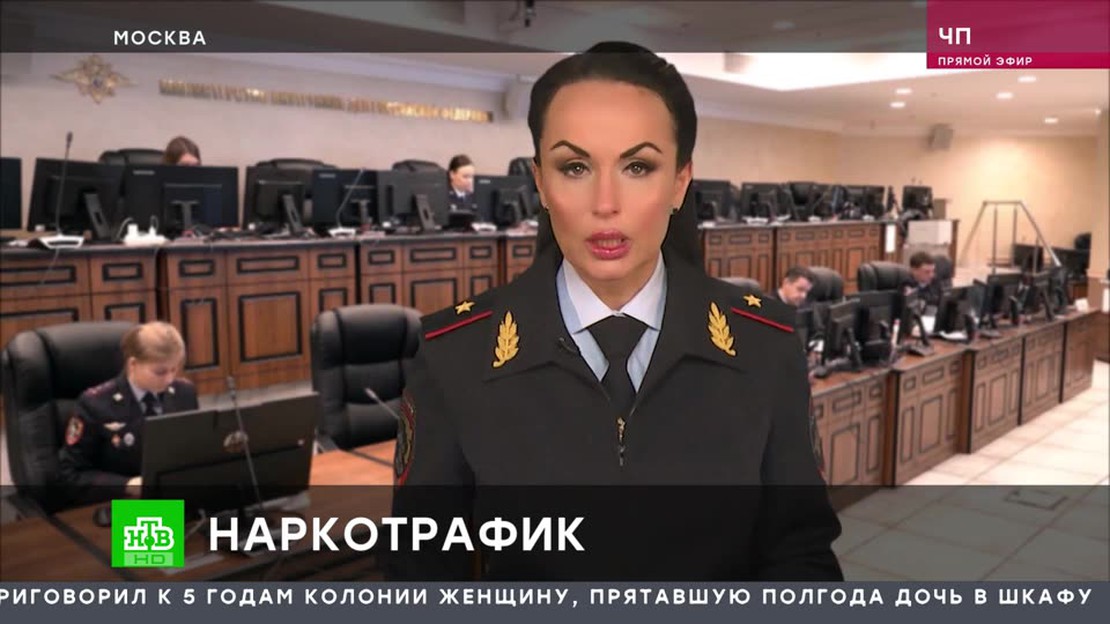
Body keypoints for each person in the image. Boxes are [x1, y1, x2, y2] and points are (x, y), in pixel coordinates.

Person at [390, 42, 841, 581]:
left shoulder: (766, 344)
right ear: (541, 182)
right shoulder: (454, 355)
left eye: (638, 166)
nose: (605, 203)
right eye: (575, 166)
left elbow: (802, 555)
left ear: (679, 183)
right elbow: (421, 571)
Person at [57, 322, 198, 506]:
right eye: (160, 372)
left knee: (225, 519)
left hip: (178, 498)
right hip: (123, 504)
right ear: (133, 364)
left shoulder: (184, 393)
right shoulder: (95, 403)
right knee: (180, 525)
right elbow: (70, 475)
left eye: (174, 369)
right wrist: (126, 485)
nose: (170, 379)